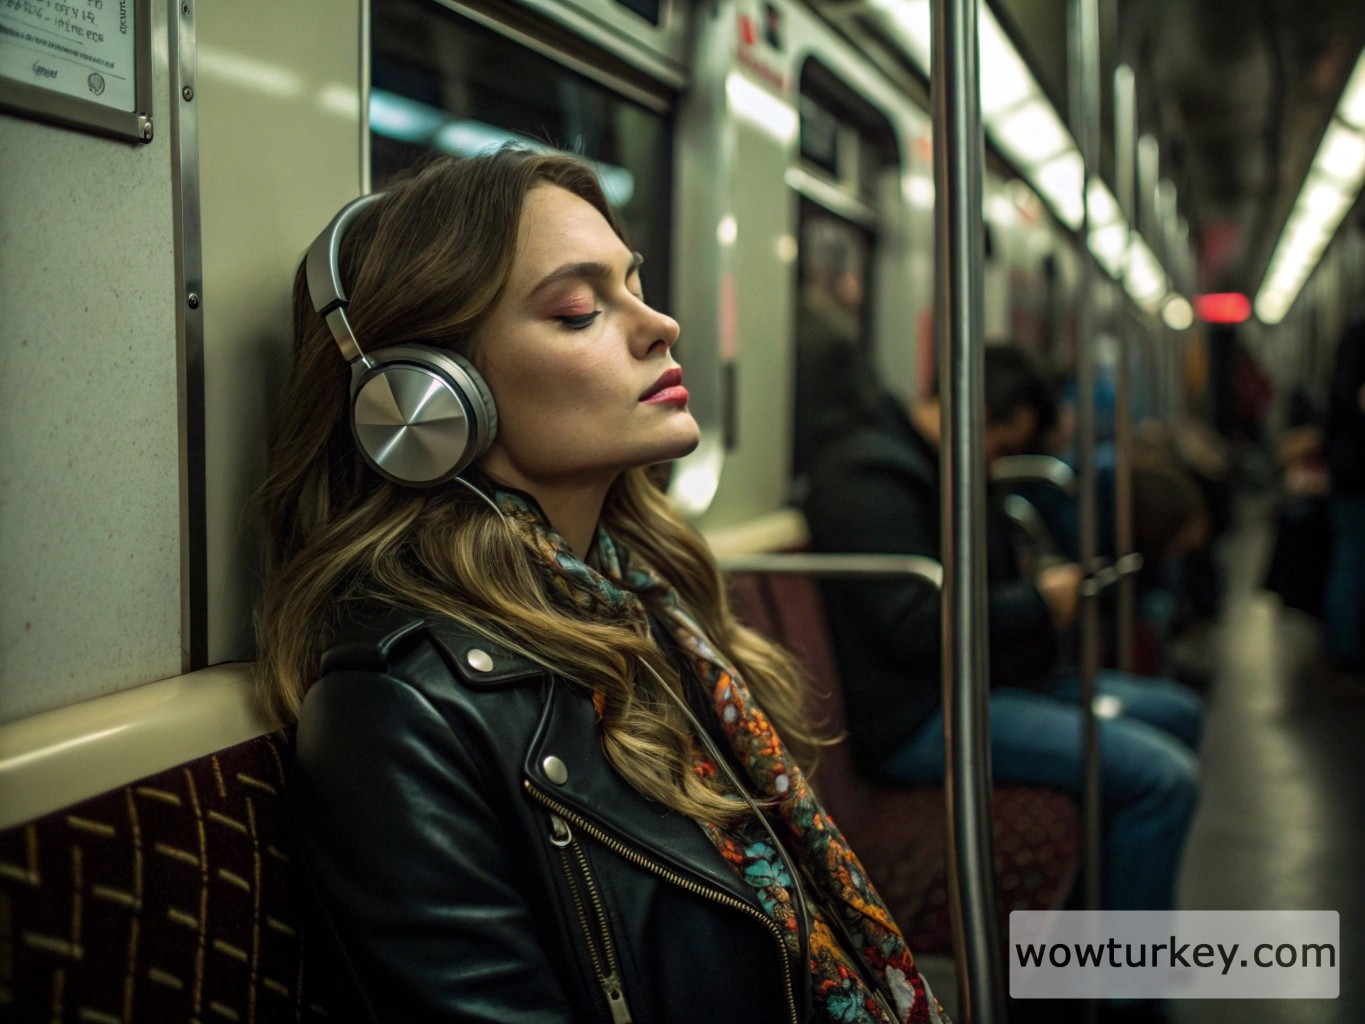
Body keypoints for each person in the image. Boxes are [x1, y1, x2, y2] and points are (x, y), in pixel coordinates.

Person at [255, 149, 947, 1024]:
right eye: (579, 310)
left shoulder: (638, 596)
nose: (660, 323)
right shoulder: (401, 712)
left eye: (635, 285)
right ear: (427, 397)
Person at [799, 343, 1202, 919]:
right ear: (991, 417)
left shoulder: (945, 467)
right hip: (921, 716)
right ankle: (1123, 994)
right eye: (1006, 443)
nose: (1000, 460)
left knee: (1176, 713)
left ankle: (1093, 933)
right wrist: (1037, 604)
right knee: (1165, 779)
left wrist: (1032, 592)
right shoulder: (871, 477)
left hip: (983, 683)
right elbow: (915, 626)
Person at [1323, 315, 1365, 672]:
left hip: (1349, 470)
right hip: (1357, 474)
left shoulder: (1353, 335)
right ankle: (1346, 649)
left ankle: (1344, 646)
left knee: (1349, 557)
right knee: (1352, 560)